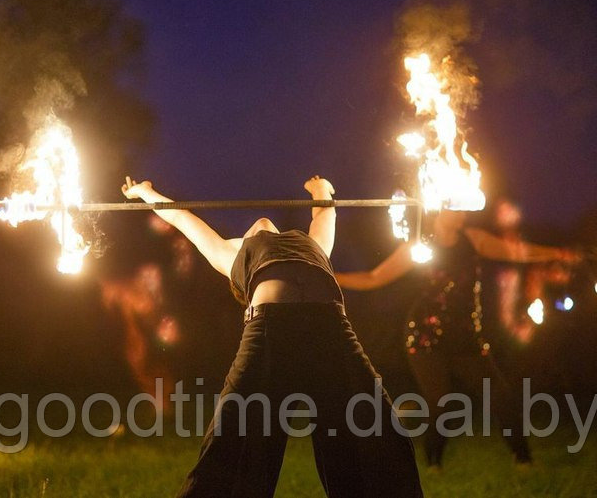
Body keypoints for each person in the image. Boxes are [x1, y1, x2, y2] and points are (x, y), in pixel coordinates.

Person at [121, 175, 423, 498]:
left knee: (373, 430)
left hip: (332, 329)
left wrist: (320, 189)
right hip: (269, 331)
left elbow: (324, 213)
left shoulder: (312, 245)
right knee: (234, 443)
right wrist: (145, 193)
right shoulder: (231, 255)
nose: (257, 226)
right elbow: (183, 218)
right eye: (246, 234)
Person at [336, 208, 580, 468]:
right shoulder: (420, 244)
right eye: (455, 206)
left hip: (466, 337)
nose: (462, 212)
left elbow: (516, 251)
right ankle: (433, 464)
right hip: (425, 337)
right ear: (439, 209)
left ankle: (524, 461)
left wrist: (555, 253)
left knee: (499, 395)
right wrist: (330, 276)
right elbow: (373, 277)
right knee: (439, 403)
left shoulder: (473, 239)